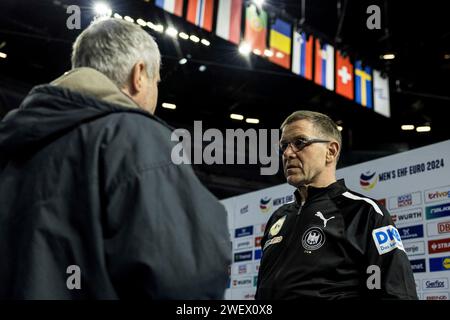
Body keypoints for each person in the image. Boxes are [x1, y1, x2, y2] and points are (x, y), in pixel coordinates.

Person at [0, 18, 231, 299]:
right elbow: (188, 279)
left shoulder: (13, 149)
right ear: (139, 74)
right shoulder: (135, 137)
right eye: (156, 82)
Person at [255, 110, 417, 299]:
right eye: (284, 146)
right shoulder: (278, 217)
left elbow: (397, 292)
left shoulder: (364, 212)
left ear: (331, 151)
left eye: (299, 142)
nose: (288, 153)